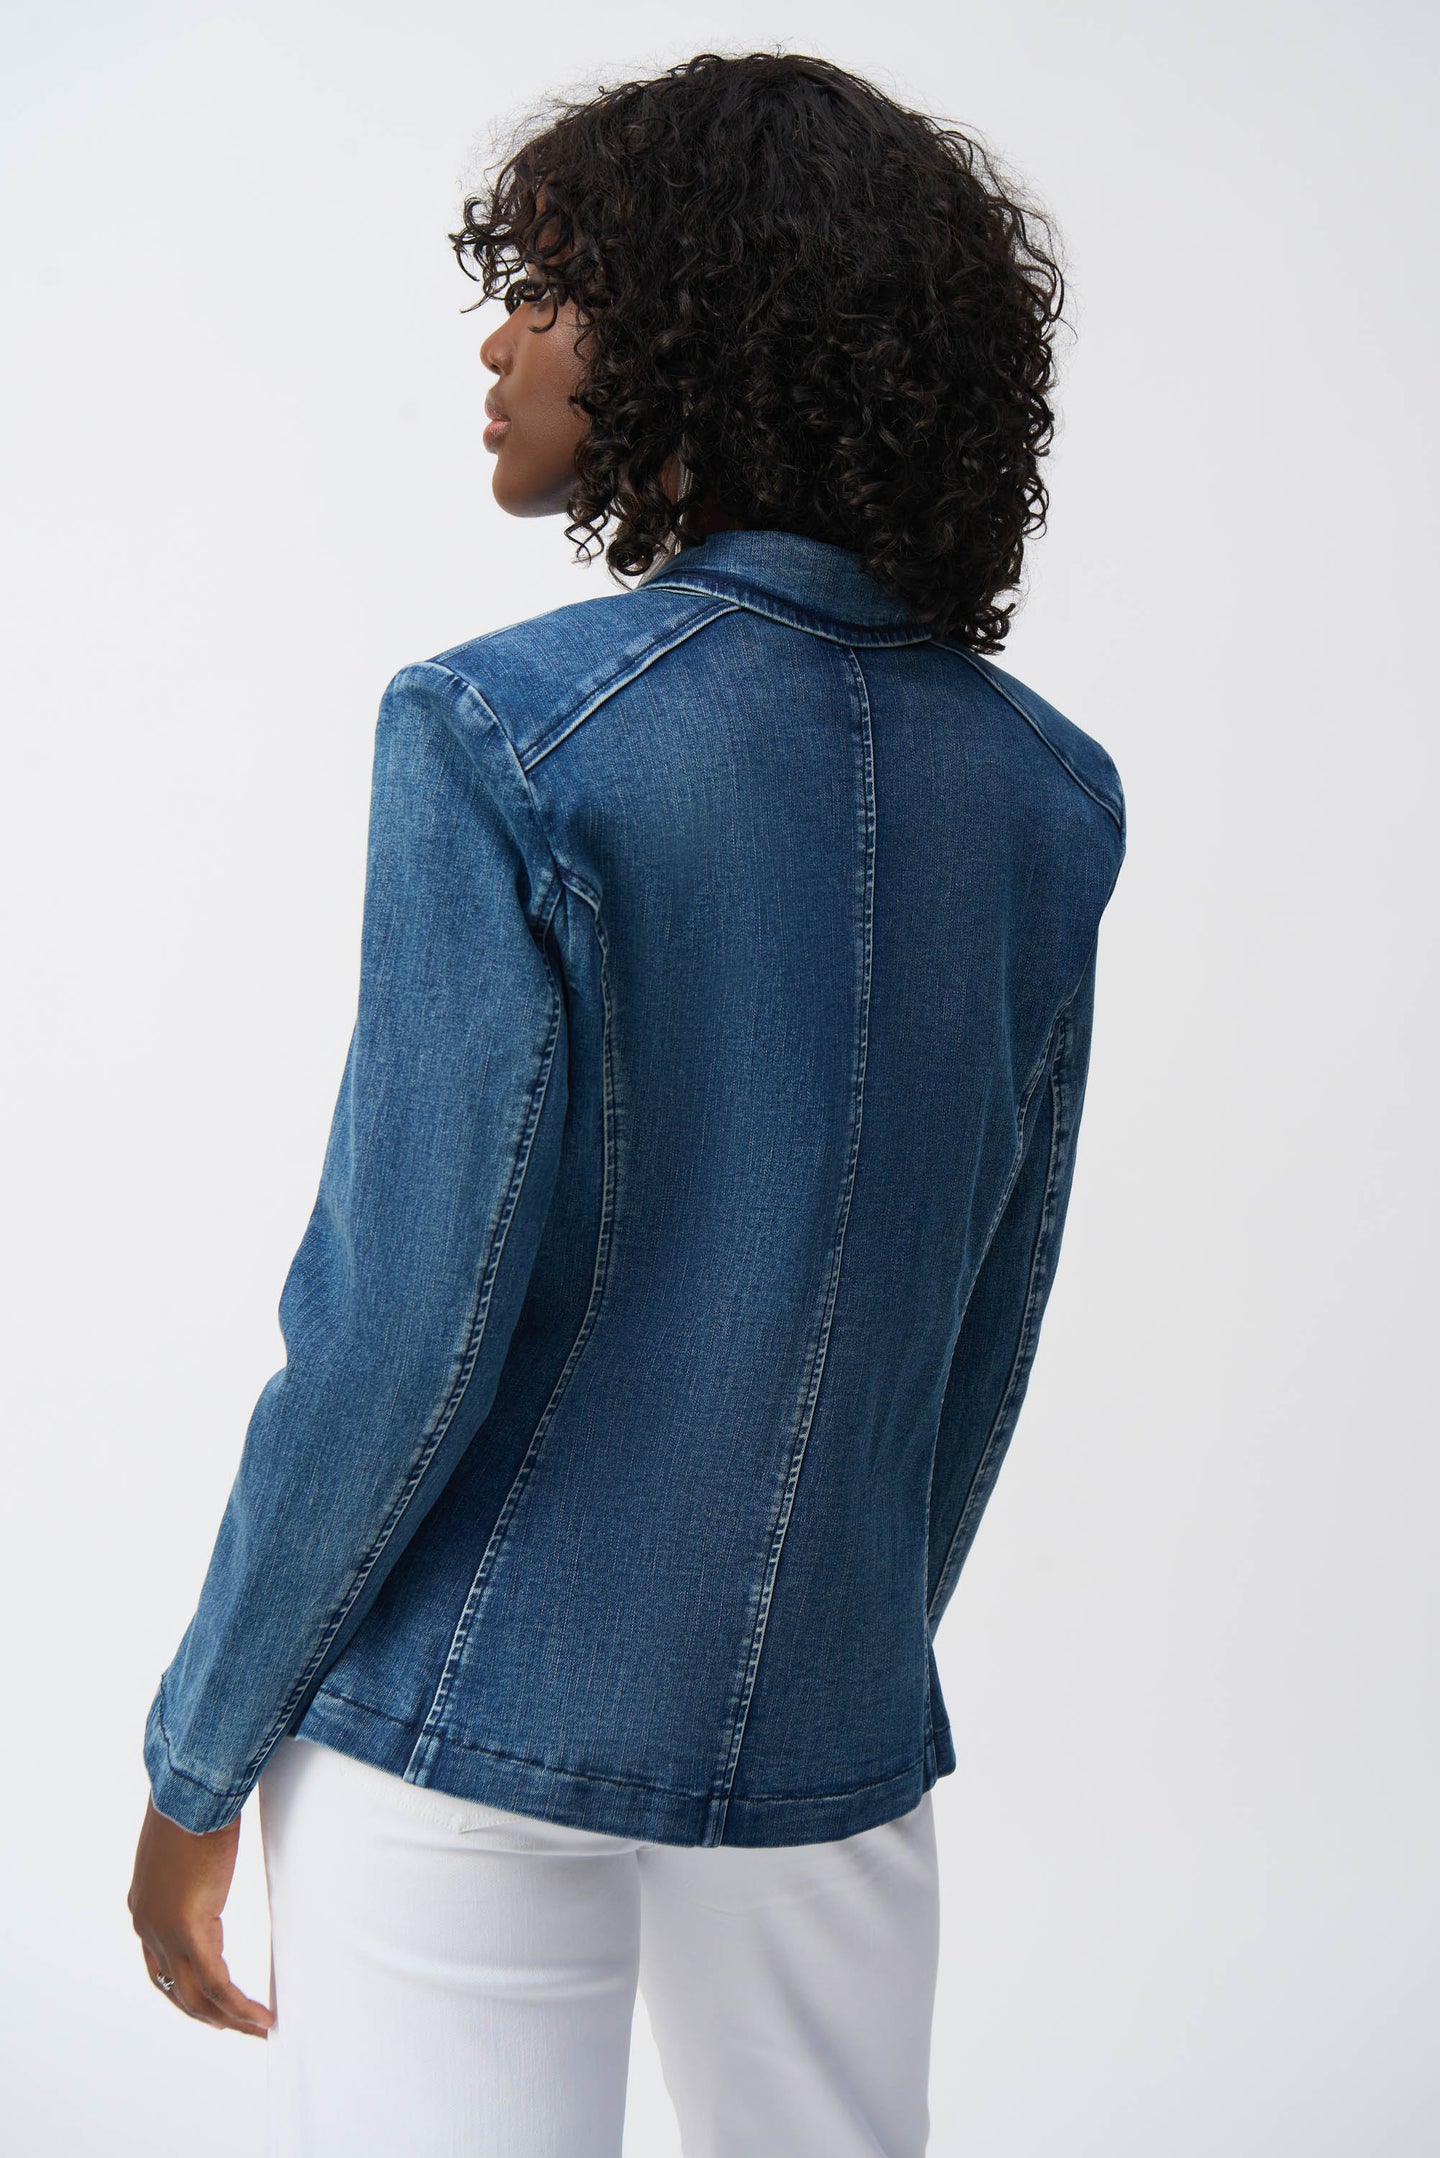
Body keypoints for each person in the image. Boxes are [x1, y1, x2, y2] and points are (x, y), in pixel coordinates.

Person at [128, 49, 1127, 2158]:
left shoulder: (504, 733)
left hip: (459, 1718)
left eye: (549, 289)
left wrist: (201, 1747)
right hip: (834, 1725)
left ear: (696, 328)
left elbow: (399, 1324)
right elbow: (980, 1325)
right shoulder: (1047, 789)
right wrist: (836, 1651)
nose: (497, 342)